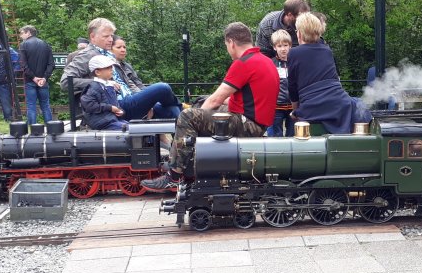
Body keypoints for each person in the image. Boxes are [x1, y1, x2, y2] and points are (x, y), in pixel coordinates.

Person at [141, 22, 280, 191]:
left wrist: (196, 114)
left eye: (227, 46)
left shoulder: (244, 63)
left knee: (188, 116)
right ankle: (183, 159)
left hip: (248, 125)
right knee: (200, 101)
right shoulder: (265, 61)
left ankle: (175, 175)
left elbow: (215, 100)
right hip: (255, 122)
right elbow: (248, 99)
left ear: (231, 43)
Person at [60, 18, 181, 121]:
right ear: (93, 37)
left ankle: (180, 147)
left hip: (130, 100)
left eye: (111, 36)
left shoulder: (109, 55)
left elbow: (127, 83)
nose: (110, 39)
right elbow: (66, 82)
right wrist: (101, 83)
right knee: (163, 88)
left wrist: (147, 103)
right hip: (117, 106)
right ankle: (183, 106)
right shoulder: (88, 55)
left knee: (172, 110)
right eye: (106, 36)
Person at [288, 12, 371, 134]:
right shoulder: (327, 50)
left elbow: (292, 87)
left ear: (299, 33)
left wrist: (295, 111)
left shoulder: (294, 53)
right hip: (339, 103)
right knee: (359, 104)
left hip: (313, 107)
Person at [17, 25, 54, 124]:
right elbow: (51, 64)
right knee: (45, 105)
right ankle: (51, 129)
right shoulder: (46, 45)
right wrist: (45, 77)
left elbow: (23, 65)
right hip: (43, 81)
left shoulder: (23, 45)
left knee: (31, 105)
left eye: (22, 33)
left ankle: (33, 131)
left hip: (30, 81)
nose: (20, 36)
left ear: (28, 32)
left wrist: (33, 77)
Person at [80, 55, 128, 131]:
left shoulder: (109, 85)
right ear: (97, 72)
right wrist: (110, 108)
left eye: (111, 67)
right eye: (108, 68)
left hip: (112, 120)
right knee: (130, 129)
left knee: (134, 127)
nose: (111, 70)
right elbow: (88, 105)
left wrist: (120, 111)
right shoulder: (94, 87)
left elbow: (115, 104)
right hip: (101, 122)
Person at [268, 30, 294, 137]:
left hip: (294, 107)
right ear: (274, 47)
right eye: (279, 46)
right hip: (276, 107)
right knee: (276, 137)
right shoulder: (270, 63)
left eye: (285, 45)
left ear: (290, 46)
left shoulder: (295, 62)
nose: (283, 49)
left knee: (292, 136)